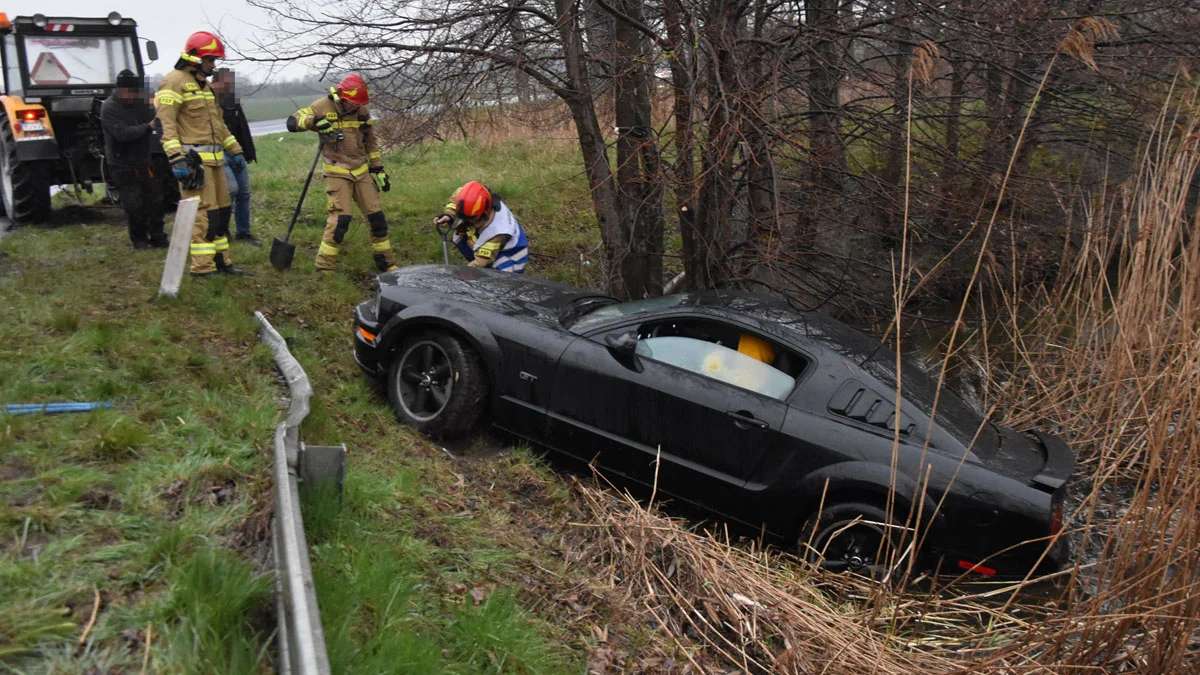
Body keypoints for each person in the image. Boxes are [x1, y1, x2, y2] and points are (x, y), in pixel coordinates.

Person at [155, 31, 248, 278]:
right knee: (203, 215)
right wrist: (176, 157)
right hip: (194, 163)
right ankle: (202, 267)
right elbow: (166, 124)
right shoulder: (173, 82)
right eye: (211, 60)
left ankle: (222, 261)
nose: (213, 65)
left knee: (221, 212)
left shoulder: (205, 87)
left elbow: (218, 124)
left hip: (216, 162)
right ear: (195, 58)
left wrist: (235, 150)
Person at [286, 73, 396, 274]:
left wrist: (378, 168)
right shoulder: (322, 106)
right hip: (337, 171)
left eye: (357, 105)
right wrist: (314, 121)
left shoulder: (362, 110)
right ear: (340, 97)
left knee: (376, 218)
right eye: (352, 104)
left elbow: (370, 141)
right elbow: (292, 122)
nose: (355, 108)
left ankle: (386, 262)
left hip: (361, 171)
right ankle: (324, 266)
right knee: (340, 221)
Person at [101, 69, 167, 250]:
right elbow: (122, 134)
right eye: (130, 92)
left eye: (136, 91)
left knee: (155, 201)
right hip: (122, 164)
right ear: (120, 90)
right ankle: (139, 240)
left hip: (144, 161)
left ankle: (158, 237)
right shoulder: (109, 108)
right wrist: (148, 127)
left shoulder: (143, 104)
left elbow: (157, 121)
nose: (133, 95)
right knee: (134, 205)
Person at [434, 181, 528, 273]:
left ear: (484, 212)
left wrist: (463, 276)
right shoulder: (473, 194)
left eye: (471, 218)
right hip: (491, 242)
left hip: (510, 255)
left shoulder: (497, 232)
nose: (468, 221)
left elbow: (482, 261)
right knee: (462, 239)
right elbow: (457, 199)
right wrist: (449, 215)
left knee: (499, 280)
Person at [212, 68, 259, 246]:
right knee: (230, 190)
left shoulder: (233, 102)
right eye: (225, 82)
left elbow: (242, 128)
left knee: (244, 192)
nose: (228, 86)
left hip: (235, 150)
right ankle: (222, 229)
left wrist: (246, 153)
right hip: (218, 152)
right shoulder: (209, 102)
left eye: (230, 82)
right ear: (215, 82)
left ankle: (243, 233)